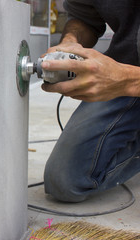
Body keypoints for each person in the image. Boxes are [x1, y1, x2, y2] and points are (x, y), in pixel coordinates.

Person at [42, 0, 140, 202]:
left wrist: (128, 80)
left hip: (129, 78)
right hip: (127, 67)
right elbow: (84, 17)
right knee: (65, 179)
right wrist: (71, 40)